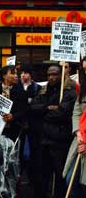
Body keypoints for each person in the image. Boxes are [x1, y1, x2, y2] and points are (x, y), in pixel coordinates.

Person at [30, 64, 76, 198]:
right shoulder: (43, 91)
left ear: (62, 75)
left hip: (60, 140)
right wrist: (48, 108)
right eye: (49, 74)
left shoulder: (69, 92)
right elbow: (33, 108)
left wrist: (44, 112)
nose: (51, 77)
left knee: (60, 174)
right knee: (42, 175)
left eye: (54, 74)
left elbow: (63, 113)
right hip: (44, 139)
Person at [63, 57, 86, 197]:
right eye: (85, 69)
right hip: (80, 141)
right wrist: (78, 134)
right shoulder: (83, 89)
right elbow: (76, 112)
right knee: (70, 179)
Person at [0, 65, 28, 142]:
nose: (16, 76)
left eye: (16, 74)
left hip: (14, 130)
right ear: (4, 76)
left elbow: (25, 111)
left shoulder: (21, 92)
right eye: (13, 73)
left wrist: (13, 116)